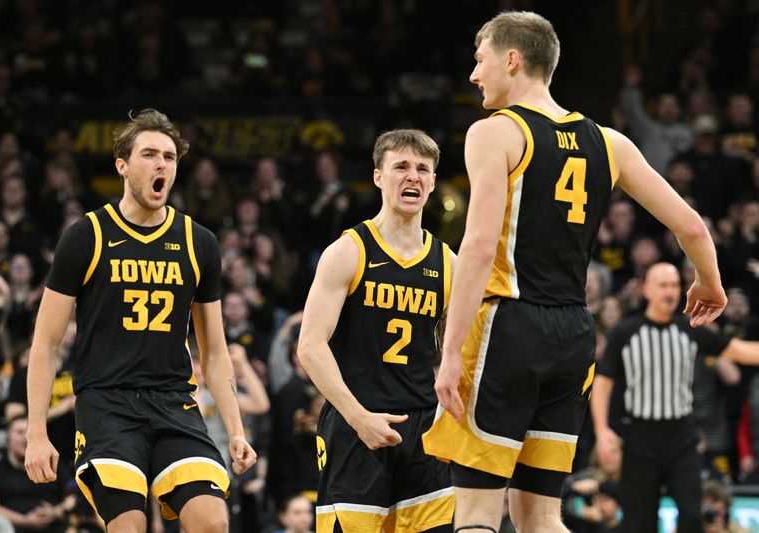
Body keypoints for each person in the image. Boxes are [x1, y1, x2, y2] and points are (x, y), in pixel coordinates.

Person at [423, 11, 727, 533]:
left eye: (480, 60)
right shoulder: (609, 142)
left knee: (475, 513)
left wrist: (449, 352)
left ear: (512, 59)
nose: (474, 75)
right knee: (541, 516)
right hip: (573, 335)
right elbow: (693, 228)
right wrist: (709, 282)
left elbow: (475, 248)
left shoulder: (494, 133)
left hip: (507, 327)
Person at [24, 109, 257, 533]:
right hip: (106, 402)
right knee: (129, 525)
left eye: (169, 157)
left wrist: (236, 429)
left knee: (212, 521)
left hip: (174, 402)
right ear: (123, 165)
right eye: (149, 154)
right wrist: (36, 433)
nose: (161, 164)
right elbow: (45, 344)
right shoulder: (86, 236)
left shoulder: (198, 242)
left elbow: (215, 350)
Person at [298, 129, 455, 532]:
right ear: (378, 177)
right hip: (355, 423)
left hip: (422, 429)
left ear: (433, 182)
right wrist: (358, 417)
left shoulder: (448, 262)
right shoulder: (349, 250)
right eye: (401, 166)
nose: (413, 177)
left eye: (423, 169)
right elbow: (310, 347)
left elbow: (466, 348)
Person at [591, 263, 759, 533]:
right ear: (646, 290)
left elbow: (739, 350)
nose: (669, 291)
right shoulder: (625, 333)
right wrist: (601, 430)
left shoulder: (690, 330)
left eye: (674, 286)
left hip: (681, 438)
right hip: (640, 439)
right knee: (638, 524)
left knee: (692, 516)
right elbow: (602, 384)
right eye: (662, 285)